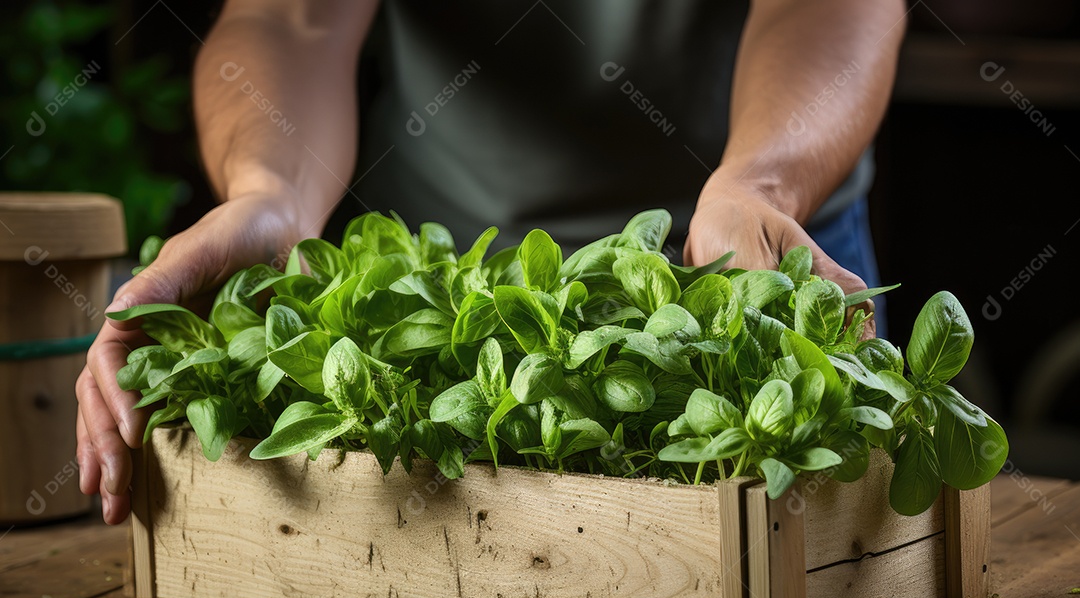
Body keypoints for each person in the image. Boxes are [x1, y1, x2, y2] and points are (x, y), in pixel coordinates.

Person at [77, 0, 907, 524]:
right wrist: (271, 196)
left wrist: (763, 180)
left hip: (754, 251)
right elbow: (291, 16)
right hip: (443, 296)